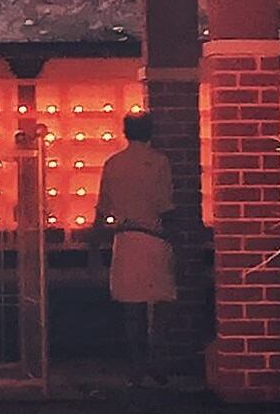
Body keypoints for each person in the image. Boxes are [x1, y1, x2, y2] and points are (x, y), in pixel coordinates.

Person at [93, 110, 176, 385]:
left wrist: (94, 246)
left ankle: (136, 366)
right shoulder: (160, 163)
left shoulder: (113, 164)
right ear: (151, 132)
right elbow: (167, 207)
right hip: (154, 237)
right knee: (160, 304)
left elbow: (102, 207)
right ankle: (157, 362)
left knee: (132, 308)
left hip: (125, 239)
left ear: (125, 132)